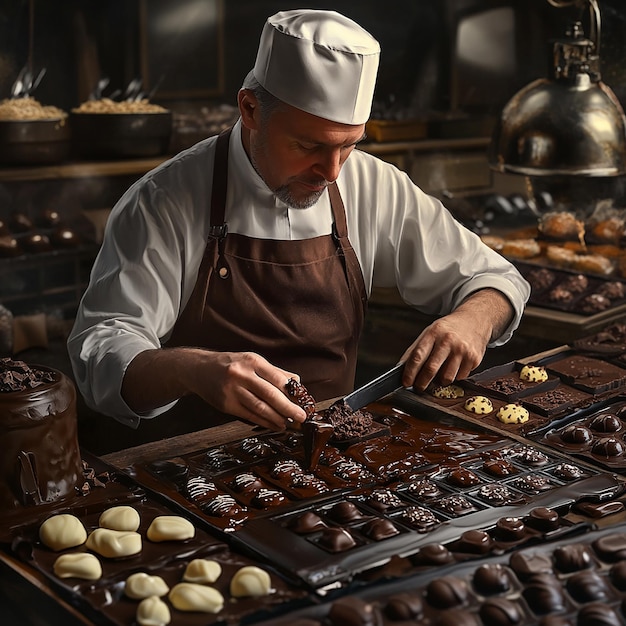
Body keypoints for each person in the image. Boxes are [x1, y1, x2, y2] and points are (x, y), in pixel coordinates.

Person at [67, 9, 530, 434]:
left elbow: (496, 279)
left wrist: (473, 319)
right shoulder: (163, 201)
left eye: (348, 145)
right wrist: (195, 369)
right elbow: (102, 351)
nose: (332, 173)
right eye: (309, 146)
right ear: (250, 110)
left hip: (334, 459)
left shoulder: (374, 185)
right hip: (199, 477)